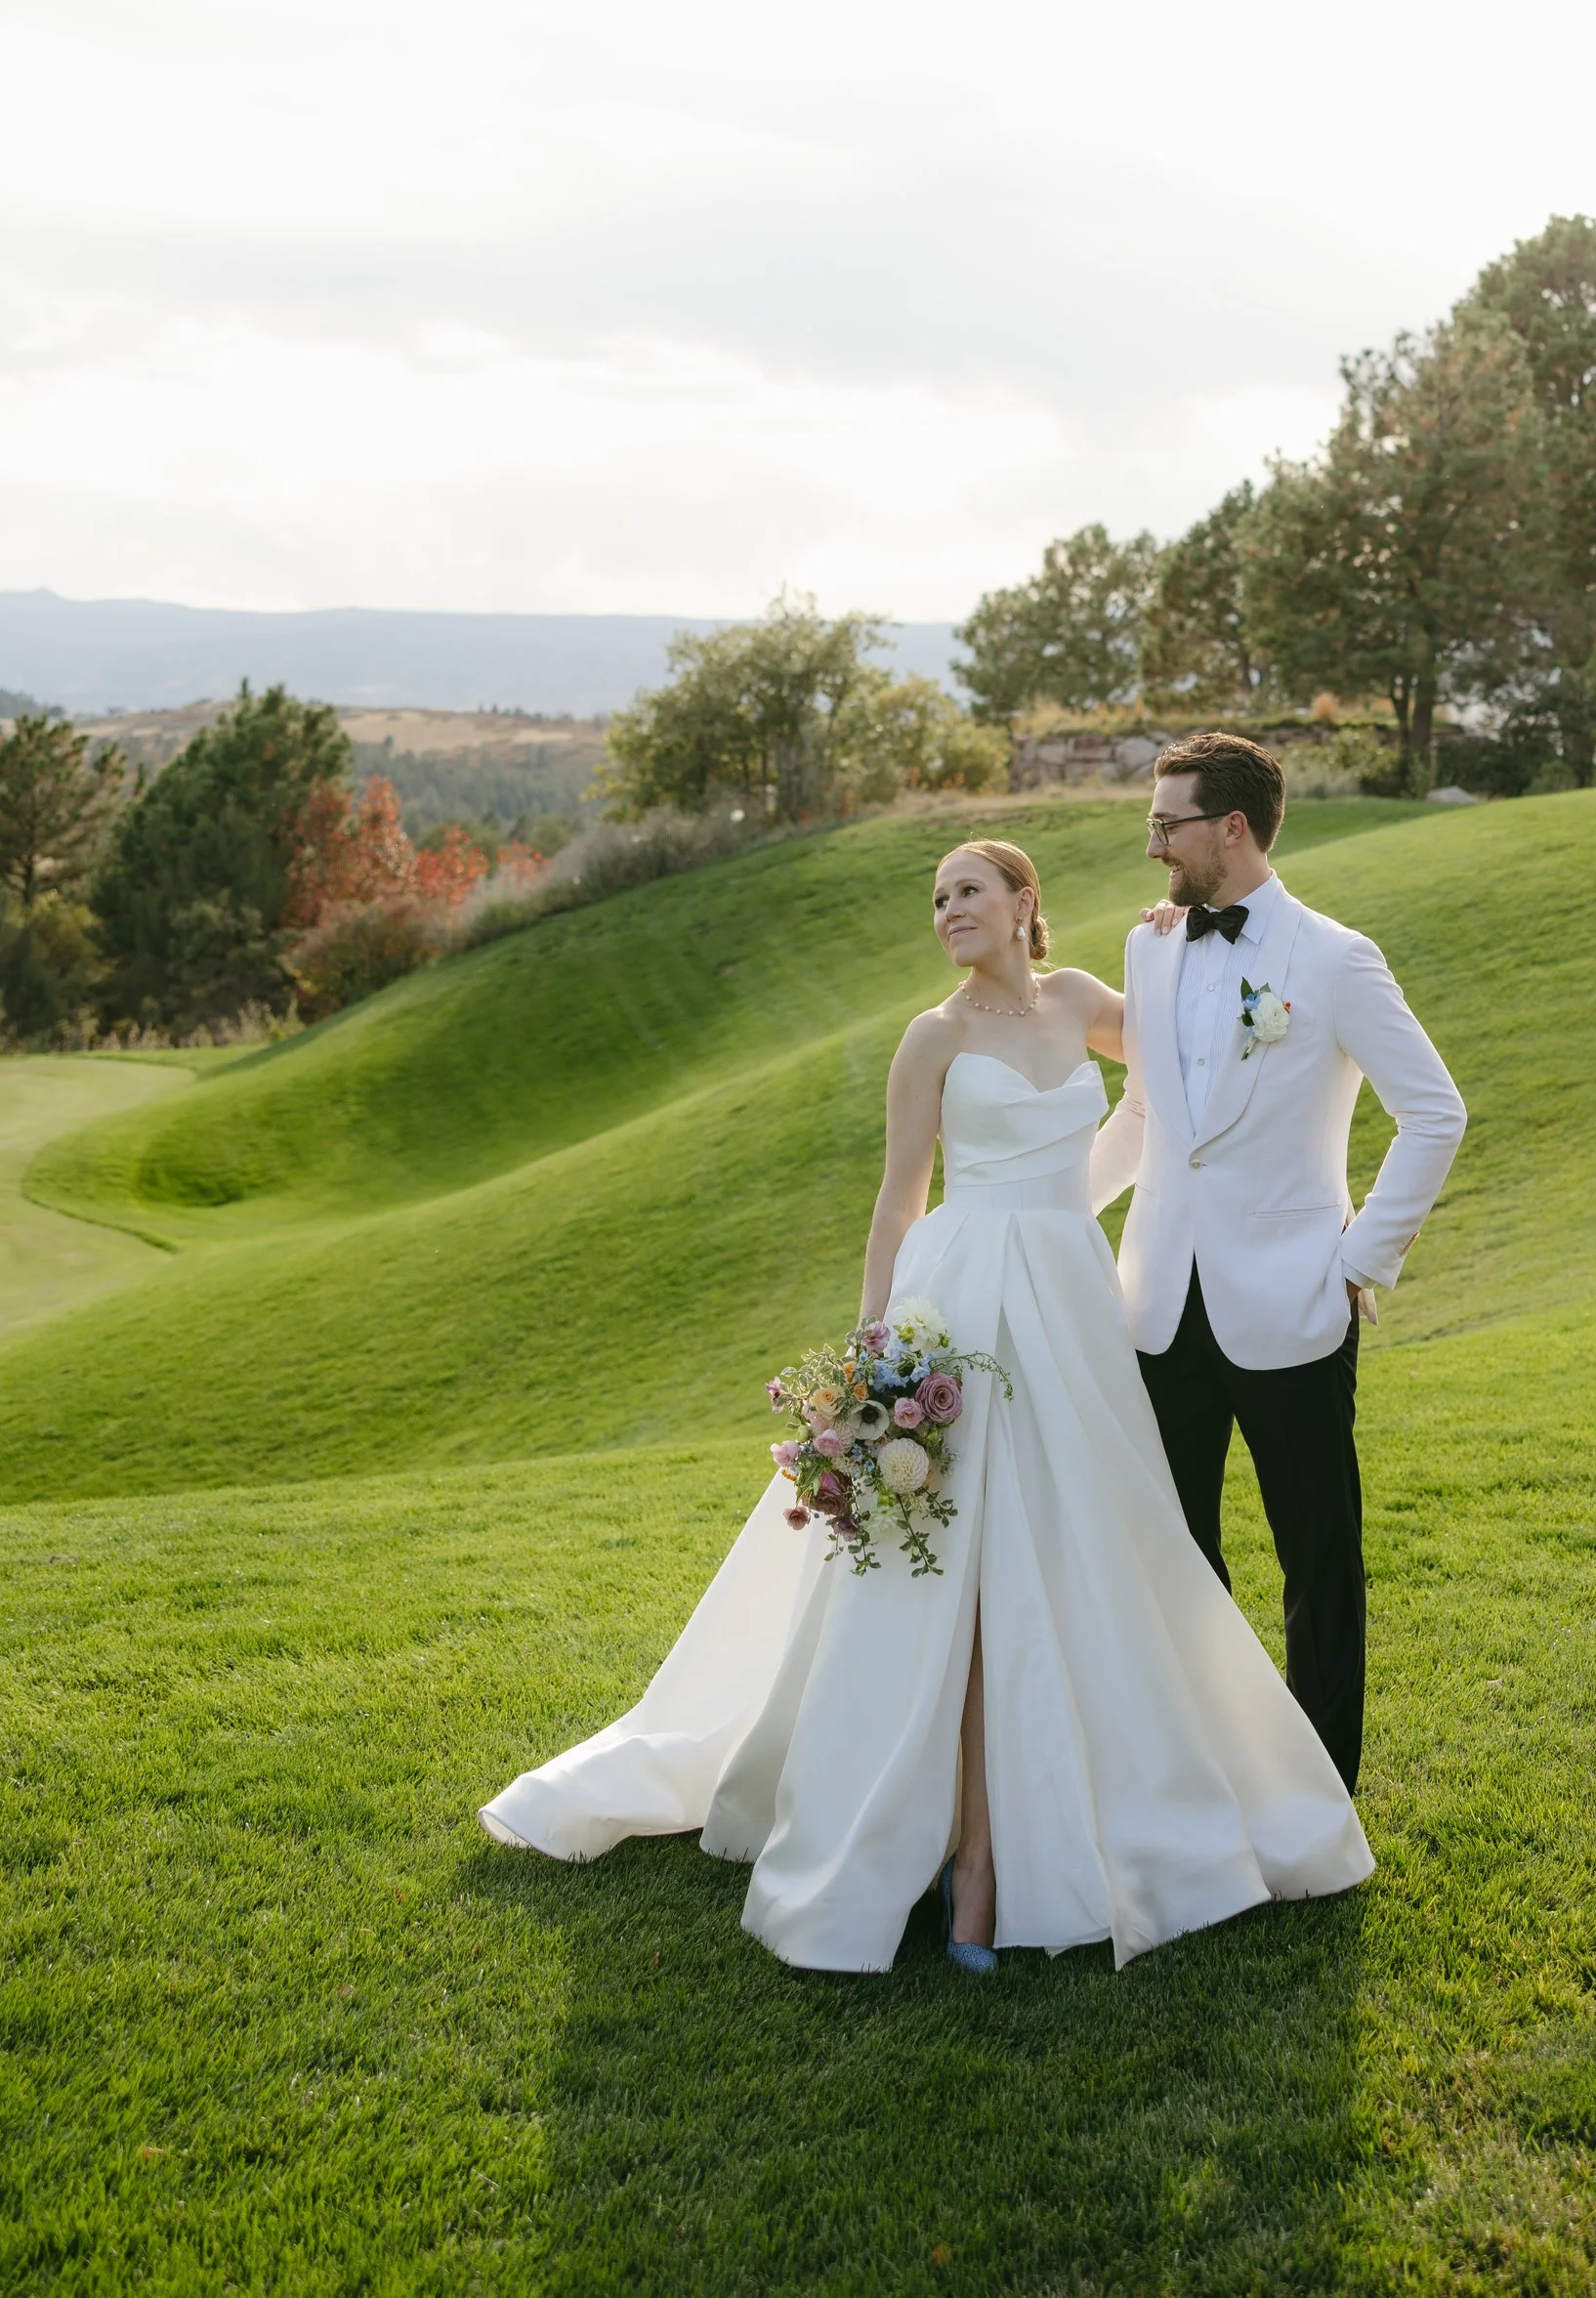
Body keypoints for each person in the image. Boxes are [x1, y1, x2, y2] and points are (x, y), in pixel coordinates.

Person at [480, 834, 1371, 1973]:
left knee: (1084, 1540)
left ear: (1023, 900)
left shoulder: (1085, 998)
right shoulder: (933, 1037)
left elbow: (1192, 1078)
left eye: (968, 889)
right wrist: (867, 1359)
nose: (948, 907)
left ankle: (1083, 1812)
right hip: (961, 1302)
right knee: (951, 1563)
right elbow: (898, 1201)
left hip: (1073, 1298)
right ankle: (967, 1857)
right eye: (937, 895)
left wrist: (1176, 976)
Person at [1094, 732, 1467, 1789]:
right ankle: (1206, 1769)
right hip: (1158, 1303)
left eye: (1166, 825)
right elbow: (1144, 1115)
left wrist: (1359, 1260)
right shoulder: (1149, 948)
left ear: (1232, 828)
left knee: (1317, 1555)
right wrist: (1033, 1216)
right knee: (1173, 1555)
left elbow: (1434, 1112)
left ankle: (1320, 1792)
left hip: (1295, 1302)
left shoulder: (1335, 959)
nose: (1152, 846)